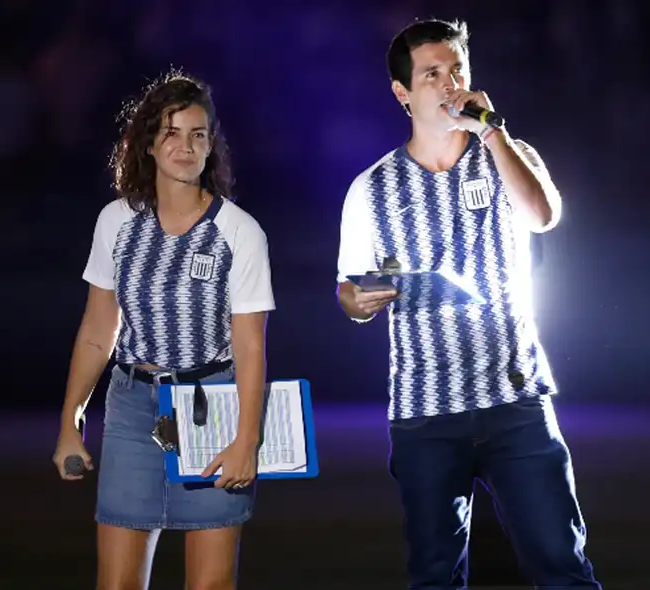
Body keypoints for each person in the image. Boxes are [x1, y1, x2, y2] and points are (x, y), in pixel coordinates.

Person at [335, 19, 602, 589]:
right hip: (426, 409)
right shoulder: (372, 188)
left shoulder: (506, 151)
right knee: (435, 573)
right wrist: (360, 301)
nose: (450, 84)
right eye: (432, 74)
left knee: (561, 562)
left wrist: (494, 135)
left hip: (515, 397)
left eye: (457, 70)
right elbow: (349, 289)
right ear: (402, 92)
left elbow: (543, 216)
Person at [52, 71, 275, 590]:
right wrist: (71, 420)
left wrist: (248, 437)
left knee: (210, 584)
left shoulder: (239, 231)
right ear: (148, 143)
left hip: (213, 405)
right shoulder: (116, 220)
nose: (185, 145)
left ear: (211, 145)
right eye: (171, 132)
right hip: (132, 406)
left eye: (198, 134)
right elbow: (96, 330)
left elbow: (249, 343)